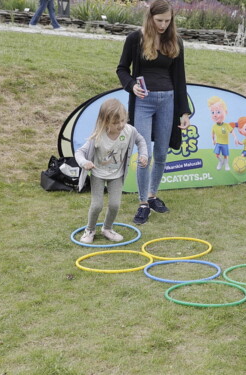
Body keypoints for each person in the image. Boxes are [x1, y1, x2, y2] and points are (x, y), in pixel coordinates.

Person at [116, 0, 191, 225]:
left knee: (161, 154)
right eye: (159, 21)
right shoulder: (134, 39)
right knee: (144, 154)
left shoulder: (175, 41)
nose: (163, 25)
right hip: (143, 102)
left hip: (167, 100)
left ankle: (152, 195)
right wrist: (132, 85)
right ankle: (142, 204)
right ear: (150, 18)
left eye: (167, 21)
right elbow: (121, 69)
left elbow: (180, 78)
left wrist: (184, 112)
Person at [74, 99, 149, 243]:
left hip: (117, 175)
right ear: (105, 121)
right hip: (98, 174)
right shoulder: (98, 136)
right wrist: (85, 163)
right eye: (115, 123)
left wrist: (144, 155)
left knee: (115, 204)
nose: (120, 125)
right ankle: (89, 230)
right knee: (97, 205)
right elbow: (79, 152)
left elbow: (141, 141)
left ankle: (107, 229)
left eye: (122, 120)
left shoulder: (129, 131)